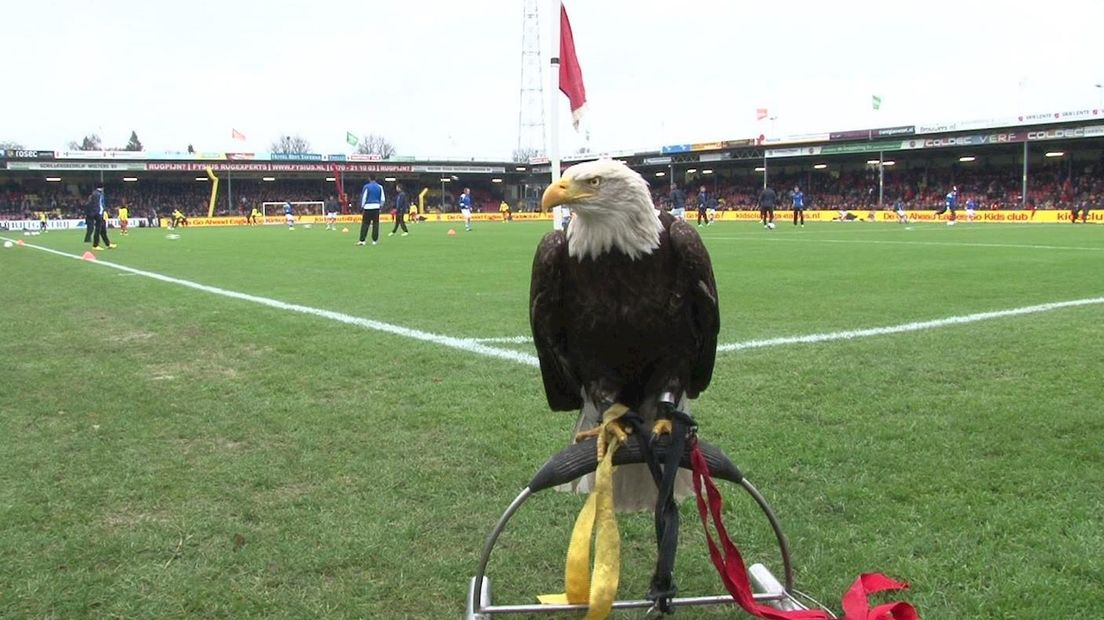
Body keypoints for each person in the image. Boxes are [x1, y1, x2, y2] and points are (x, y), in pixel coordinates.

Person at [358, 175, 384, 245]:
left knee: (365, 224)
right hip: (376, 207)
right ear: (376, 179)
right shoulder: (380, 187)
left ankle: (362, 240)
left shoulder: (366, 186)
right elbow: (382, 199)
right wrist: (380, 206)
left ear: (369, 178)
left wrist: (362, 206)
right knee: (376, 224)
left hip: (368, 207)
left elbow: (364, 197)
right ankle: (375, 241)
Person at [88, 182, 115, 249]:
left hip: (99, 213)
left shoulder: (95, 193)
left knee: (103, 230)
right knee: (98, 230)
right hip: (98, 214)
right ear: (102, 188)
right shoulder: (98, 194)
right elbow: (98, 205)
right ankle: (95, 245)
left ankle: (108, 244)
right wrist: (100, 213)